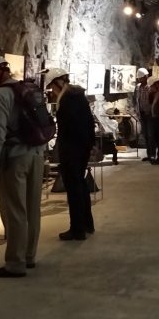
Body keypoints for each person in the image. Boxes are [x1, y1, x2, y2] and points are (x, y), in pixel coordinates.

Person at [0, 54, 46, 278]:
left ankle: (15, 263)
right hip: (37, 154)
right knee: (32, 207)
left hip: (15, 158)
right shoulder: (26, 90)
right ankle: (29, 256)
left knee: (15, 210)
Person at [44, 67, 96, 241]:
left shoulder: (67, 100)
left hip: (72, 149)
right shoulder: (77, 96)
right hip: (81, 148)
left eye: (52, 86)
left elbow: (69, 128)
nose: (52, 91)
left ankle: (77, 229)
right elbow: (88, 123)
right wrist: (89, 146)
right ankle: (87, 224)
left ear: (58, 82)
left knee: (74, 189)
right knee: (80, 185)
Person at [135, 67, 156, 163]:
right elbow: (137, 99)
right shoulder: (138, 87)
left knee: (151, 135)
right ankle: (149, 154)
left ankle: (153, 155)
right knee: (146, 135)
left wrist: (152, 111)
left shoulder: (150, 87)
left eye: (142, 78)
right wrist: (137, 110)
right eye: (139, 78)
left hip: (150, 114)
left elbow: (153, 100)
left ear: (146, 76)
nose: (140, 80)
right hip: (142, 113)